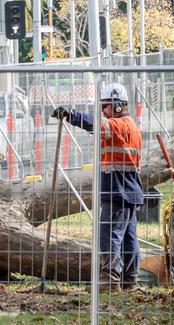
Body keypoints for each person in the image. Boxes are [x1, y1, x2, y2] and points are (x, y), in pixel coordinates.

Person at [51, 82, 143, 292]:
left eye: (106, 106)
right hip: (129, 190)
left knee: (109, 234)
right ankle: (130, 280)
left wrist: (71, 115)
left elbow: (95, 123)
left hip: (117, 189)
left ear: (119, 105)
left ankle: (109, 280)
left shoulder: (119, 125)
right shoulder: (133, 127)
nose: (103, 110)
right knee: (129, 238)